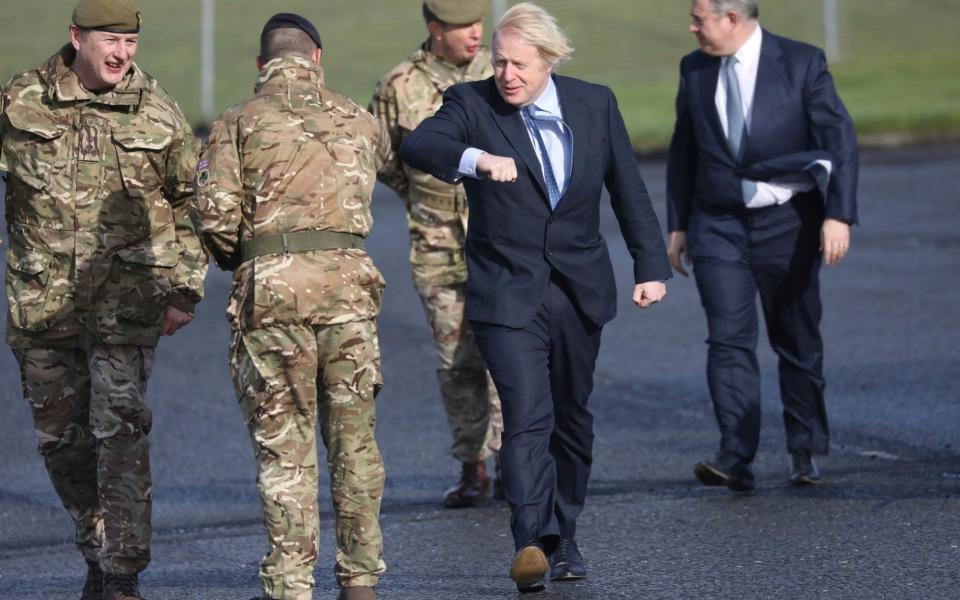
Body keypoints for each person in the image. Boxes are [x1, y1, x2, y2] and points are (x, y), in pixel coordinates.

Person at [399, 2, 670, 592]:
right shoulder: (472, 105)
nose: (507, 75)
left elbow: (629, 190)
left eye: (519, 63)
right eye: (499, 63)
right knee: (525, 416)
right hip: (506, 294)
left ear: (549, 60)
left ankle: (564, 533)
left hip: (579, 291)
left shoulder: (595, 103)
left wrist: (650, 266)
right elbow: (419, 146)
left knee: (571, 418)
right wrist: (476, 158)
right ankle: (529, 540)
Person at [0, 1, 205, 599]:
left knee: (119, 430)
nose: (121, 54)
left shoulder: (158, 112)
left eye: (130, 43)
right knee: (61, 443)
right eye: (110, 41)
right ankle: (96, 546)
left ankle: (122, 572)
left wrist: (185, 288)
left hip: (127, 305)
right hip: (43, 307)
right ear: (76, 38)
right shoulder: (20, 102)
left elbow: (194, 205)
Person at [192, 13, 391, 600]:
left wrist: (246, 257)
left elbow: (214, 217)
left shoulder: (236, 124)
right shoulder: (359, 118)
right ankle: (360, 579)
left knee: (286, 450)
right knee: (354, 444)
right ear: (317, 58)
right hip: (350, 295)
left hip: (273, 299)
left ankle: (291, 583)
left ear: (262, 65)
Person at [666, 0, 858, 492]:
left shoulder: (801, 62)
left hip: (787, 222)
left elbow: (838, 141)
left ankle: (805, 446)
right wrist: (678, 223)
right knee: (727, 339)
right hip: (716, 222)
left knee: (794, 337)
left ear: (731, 20)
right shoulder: (694, 68)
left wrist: (837, 213)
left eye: (698, 18)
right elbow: (683, 146)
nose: (690, 27)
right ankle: (735, 455)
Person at [369, 0, 504, 508]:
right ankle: (473, 465)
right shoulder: (397, 85)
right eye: (460, 26)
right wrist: (423, 200)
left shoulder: (502, 71)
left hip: (500, 237)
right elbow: (385, 158)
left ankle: (516, 458)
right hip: (438, 244)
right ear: (433, 29)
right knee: (456, 358)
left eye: (477, 23)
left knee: (509, 349)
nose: (474, 34)